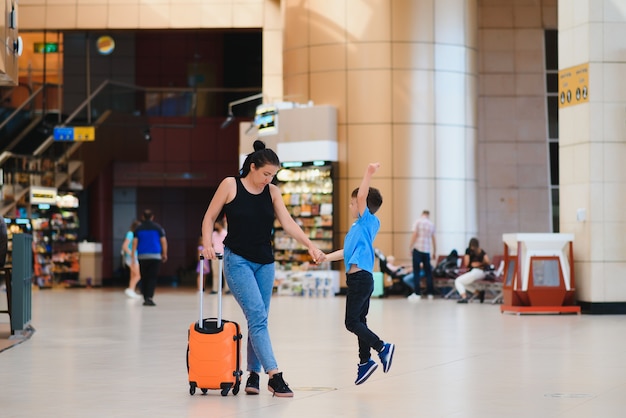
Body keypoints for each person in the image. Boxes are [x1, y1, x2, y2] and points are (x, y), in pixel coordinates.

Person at [201, 140, 326, 398]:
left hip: (265, 263)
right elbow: (209, 217)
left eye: (273, 175)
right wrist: (207, 245)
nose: (269, 180)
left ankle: (253, 375)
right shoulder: (230, 185)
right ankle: (275, 376)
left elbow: (289, 224)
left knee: (258, 320)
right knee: (257, 316)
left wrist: (310, 245)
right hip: (238, 261)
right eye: (266, 174)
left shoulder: (273, 192)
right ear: (253, 167)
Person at [324, 162, 395, 386]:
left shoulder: (367, 221)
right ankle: (365, 362)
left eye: (353, 202)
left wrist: (368, 172)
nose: (350, 205)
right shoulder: (357, 228)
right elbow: (345, 253)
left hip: (360, 279)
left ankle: (382, 347)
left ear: (363, 205)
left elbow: (363, 195)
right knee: (359, 321)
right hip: (359, 279)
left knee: (351, 322)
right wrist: (325, 257)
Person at [132, 210, 168, 307]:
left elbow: (135, 243)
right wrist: (164, 254)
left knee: (144, 277)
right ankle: (149, 298)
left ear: (143, 217)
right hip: (155, 256)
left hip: (142, 256)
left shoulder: (138, 228)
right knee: (152, 277)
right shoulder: (158, 227)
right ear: (152, 217)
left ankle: (145, 297)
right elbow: (163, 241)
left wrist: (132, 256)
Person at [407, 209, 437, 301]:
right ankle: (430, 293)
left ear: (422, 214)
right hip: (427, 250)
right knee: (428, 272)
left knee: (416, 272)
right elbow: (433, 239)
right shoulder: (431, 224)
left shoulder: (418, 222)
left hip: (418, 249)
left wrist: (410, 247)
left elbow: (414, 235)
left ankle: (417, 293)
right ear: (428, 215)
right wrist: (434, 251)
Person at [455, 237, 490, 303]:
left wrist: (474, 264)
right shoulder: (481, 250)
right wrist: (481, 264)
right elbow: (487, 261)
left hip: (475, 271)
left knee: (458, 281)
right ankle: (479, 293)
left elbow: (466, 263)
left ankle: (464, 297)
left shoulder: (468, 250)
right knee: (464, 284)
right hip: (483, 273)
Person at [121, 220, 142, 299]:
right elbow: (125, 246)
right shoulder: (130, 234)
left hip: (134, 256)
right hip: (131, 257)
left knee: (133, 275)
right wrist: (132, 254)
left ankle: (132, 290)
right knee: (138, 275)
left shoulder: (135, 235)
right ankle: (130, 289)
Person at [210, 218, 229, 294]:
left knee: (225, 273)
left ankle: (227, 289)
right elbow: (212, 243)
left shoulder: (225, 233)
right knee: (215, 273)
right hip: (215, 255)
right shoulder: (214, 234)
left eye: (216, 225)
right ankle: (215, 289)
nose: (215, 226)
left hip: (223, 255)